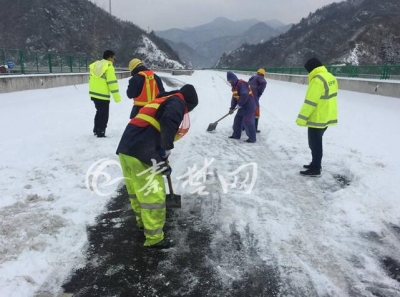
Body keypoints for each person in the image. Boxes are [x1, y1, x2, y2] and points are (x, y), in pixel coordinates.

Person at [116, 84, 198, 249]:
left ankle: (142, 223)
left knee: (136, 191)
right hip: (141, 151)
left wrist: (161, 162)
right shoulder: (177, 101)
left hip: (126, 149)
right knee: (153, 196)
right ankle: (154, 238)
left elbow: (150, 131)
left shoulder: (162, 99)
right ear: (188, 102)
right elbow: (168, 121)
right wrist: (166, 148)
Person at [296, 57, 338, 177]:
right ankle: (315, 163)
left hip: (318, 117)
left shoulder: (317, 80)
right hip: (327, 115)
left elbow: (310, 102)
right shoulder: (330, 76)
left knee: (315, 144)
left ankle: (316, 168)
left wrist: (301, 119)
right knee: (316, 143)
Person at [89, 50, 121, 137]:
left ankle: (96, 129)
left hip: (94, 94)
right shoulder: (109, 66)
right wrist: (117, 97)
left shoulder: (96, 65)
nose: (114, 60)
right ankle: (101, 132)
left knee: (99, 112)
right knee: (104, 115)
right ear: (109, 57)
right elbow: (112, 82)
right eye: (114, 58)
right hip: (103, 95)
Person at [227, 71, 257, 143]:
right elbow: (234, 98)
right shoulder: (234, 87)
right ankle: (236, 135)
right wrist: (232, 108)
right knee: (237, 120)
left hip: (249, 105)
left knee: (248, 121)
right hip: (242, 106)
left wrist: (240, 104)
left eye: (231, 81)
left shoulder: (242, 84)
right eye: (229, 81)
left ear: (234, 79)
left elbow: (245, 95)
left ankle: (252, 138)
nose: (230, 83)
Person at [248, 68, 267, 133]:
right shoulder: (260, 78)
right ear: (263, 74)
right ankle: (254, 128)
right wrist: (259, 92)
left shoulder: (252, 78)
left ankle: (243, 127)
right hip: (254, 98)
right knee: (256, 113)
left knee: (247, 111)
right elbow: (263, 82)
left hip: (248, 97)